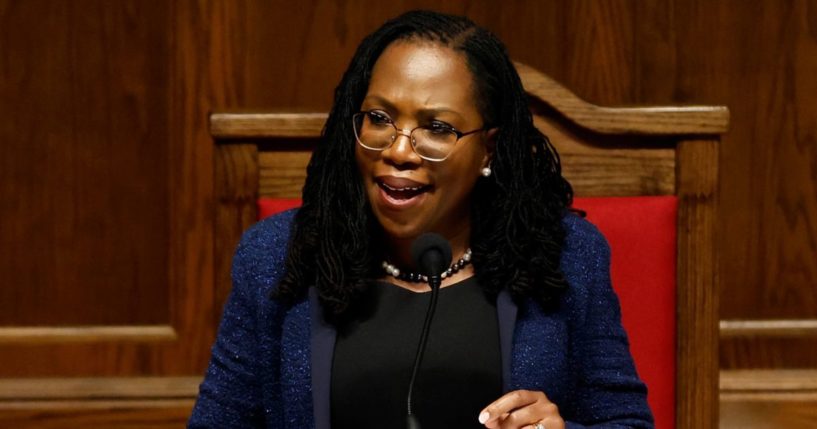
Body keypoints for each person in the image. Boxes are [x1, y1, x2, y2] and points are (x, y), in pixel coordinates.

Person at [189, 10, 653, 429]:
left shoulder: (566, 256)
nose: (398, 150)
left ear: (488, 149)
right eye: (379, 118)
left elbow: (626, 422)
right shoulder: (277, 256)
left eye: (437, 128)